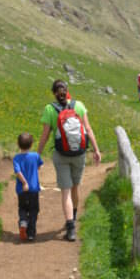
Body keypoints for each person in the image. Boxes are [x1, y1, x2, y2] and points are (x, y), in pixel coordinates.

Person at [37, 79, 101, 242]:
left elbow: (45, 135)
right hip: (79, 154)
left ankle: (70, 227)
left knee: (65, 191)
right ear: (67, 90)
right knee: (75, 187)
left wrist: (38, 154)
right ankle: (74, 215)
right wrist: (96, 149)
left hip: (61, 155)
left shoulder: (49, 109)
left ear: (53, 93)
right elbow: (88, 129)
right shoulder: (79, 105)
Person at [12, 132, 43, 242]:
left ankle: (23, 222)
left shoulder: (16, 158)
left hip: (21, 190)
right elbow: (40, 166)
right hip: (34, 189)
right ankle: (31, 234)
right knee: (34, 210)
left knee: (23, 208)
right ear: (32, 144)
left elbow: (17, 171)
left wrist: (24, 183)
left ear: (18, 144)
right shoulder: (35, 156)